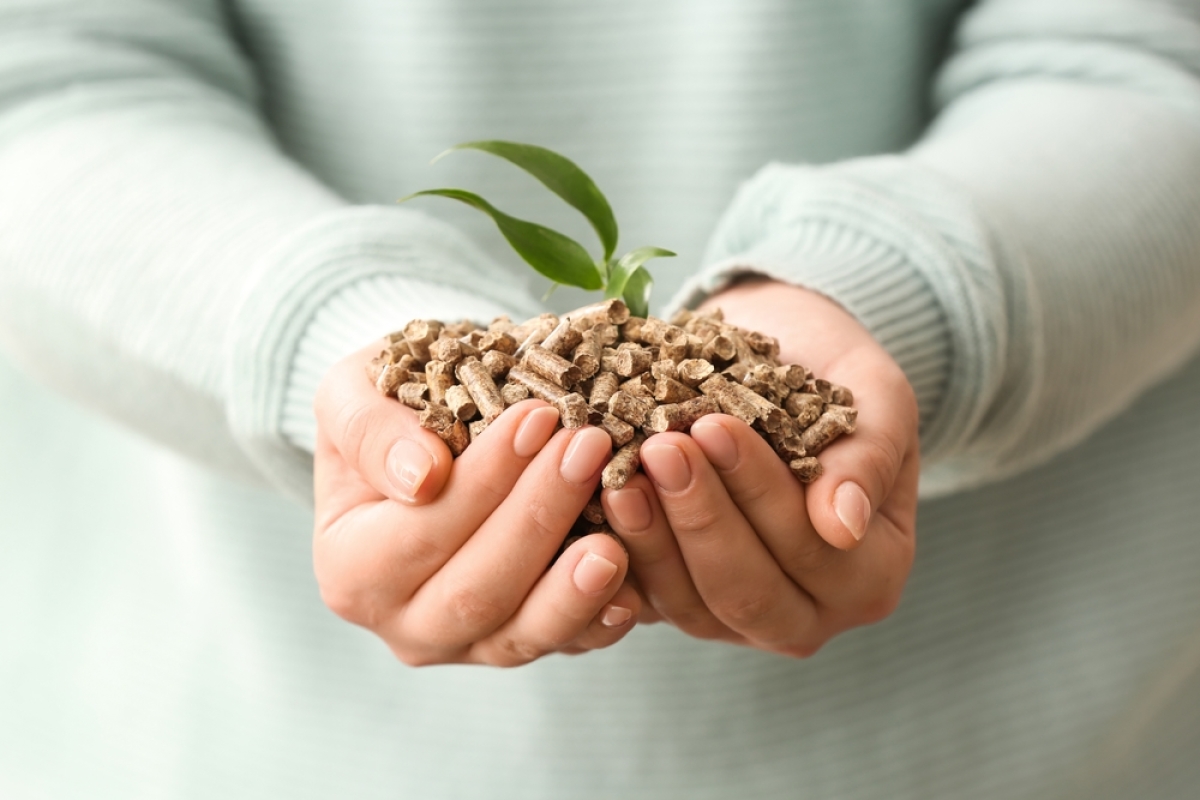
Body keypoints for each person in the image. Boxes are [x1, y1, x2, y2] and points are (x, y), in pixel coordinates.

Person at [2, 1, 1199, 798]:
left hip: (1029, 739)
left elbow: (1149, 53)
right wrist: (343, 337)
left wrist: (896, 297)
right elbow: (40, 80)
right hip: (225, 735)